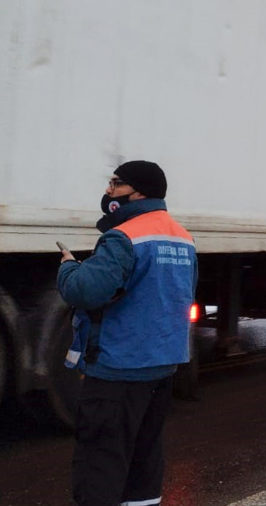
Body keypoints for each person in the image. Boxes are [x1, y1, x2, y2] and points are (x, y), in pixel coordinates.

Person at [57, 160, 197, 506]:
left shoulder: (124, 236)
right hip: (162, 368)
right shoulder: (182, 237)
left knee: (101, 460)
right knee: (144, 456)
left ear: (138, 192)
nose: (108, 191)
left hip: (119, 369)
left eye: (115, 183)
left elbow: (85, 291)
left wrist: (69, 267)